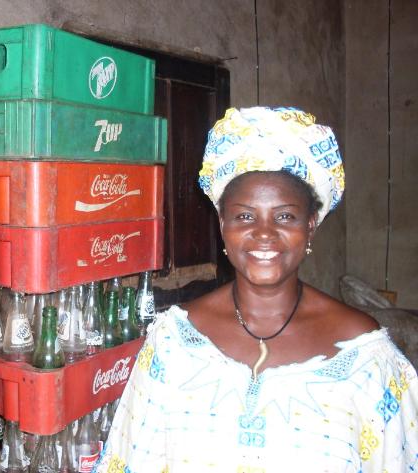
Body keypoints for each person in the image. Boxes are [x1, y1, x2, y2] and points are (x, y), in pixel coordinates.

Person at [94, 107, 418, 472]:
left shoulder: (366, 357)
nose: (264, 233)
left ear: (310, 226)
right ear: (223, 224)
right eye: (245, 216)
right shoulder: (174, 343)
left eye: (285, 216)